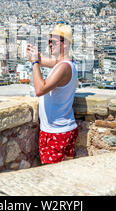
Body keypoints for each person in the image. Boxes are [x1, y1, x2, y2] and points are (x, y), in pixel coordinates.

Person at [26, 24, 79, 164]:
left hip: (57, 132)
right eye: (49, 41)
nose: (50, 45)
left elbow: (40, 89)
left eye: (54, 42)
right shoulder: (67, 63)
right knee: (63, 173)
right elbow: (48, 62)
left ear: (66, 44)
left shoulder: (63, 67)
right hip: (63, 129)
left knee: (53, 176)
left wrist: (35, 62)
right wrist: (34, 56)